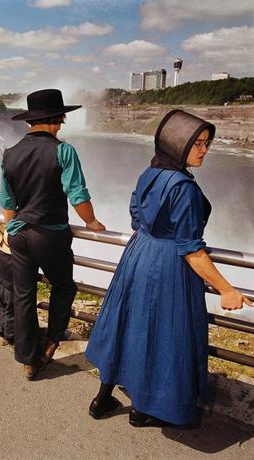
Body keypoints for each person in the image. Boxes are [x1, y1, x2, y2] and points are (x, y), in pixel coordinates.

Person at [85, 110, 253, 427]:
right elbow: (192, 249)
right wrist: (226, 289)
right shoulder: (184, 188)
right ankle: (144, 410)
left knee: (127, 325)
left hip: (137, 256)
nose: (205, 150)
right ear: (178, 145)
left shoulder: (149, 173)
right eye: (198, 144)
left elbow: (135, 216)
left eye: (207, 143)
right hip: (166, 267)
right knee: (163, 335)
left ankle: (103, 398)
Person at [0, 89, 105, 380]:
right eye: (60, 120)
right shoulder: (63, 150)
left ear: (31, 122)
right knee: (64, 287)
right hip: (50, 234)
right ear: (55, 119)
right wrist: (92, 221)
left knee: (23, 294)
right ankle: (51, 343)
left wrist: (10, 230)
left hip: (19, 234)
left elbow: (7, 201)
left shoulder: (10, 154)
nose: (61, 125)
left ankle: (27, 359)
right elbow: (77, 193)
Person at [0, 224, 14, 344]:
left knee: (4, 307)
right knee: (11, 309)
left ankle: (3, 329)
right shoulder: (16, 257)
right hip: (11, 287)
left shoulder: (2, 252)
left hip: (1, 283)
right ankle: (10, 335)